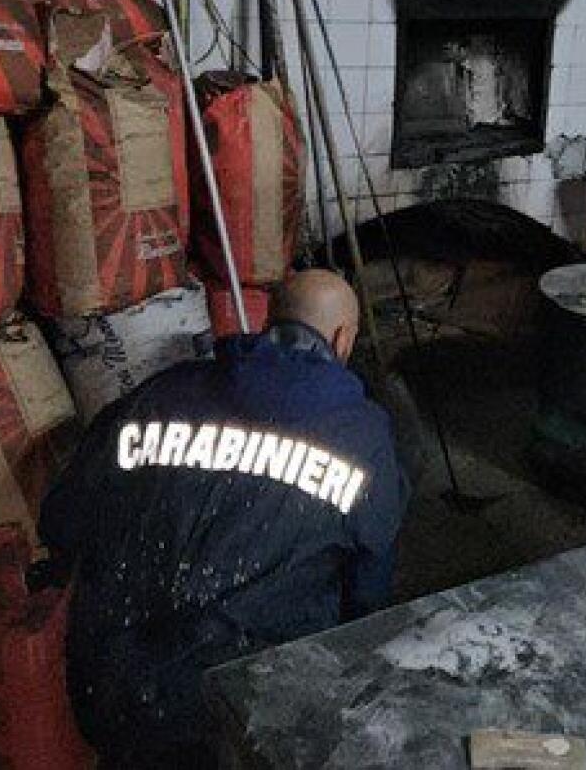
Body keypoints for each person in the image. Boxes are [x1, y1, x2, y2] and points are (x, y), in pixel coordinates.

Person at [40, 269, 408, 768]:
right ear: (343, 339)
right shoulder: (363, 438)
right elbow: (369, 600)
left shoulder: (161, 394)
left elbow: (61, 521)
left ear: (266, 323)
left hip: (112, 692)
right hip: (251, 712)